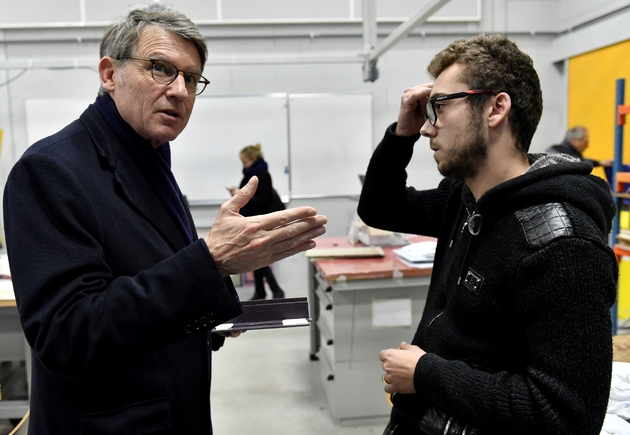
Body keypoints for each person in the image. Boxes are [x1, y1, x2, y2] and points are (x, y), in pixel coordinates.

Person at [2, 8, 326, 434]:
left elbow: (150, 278)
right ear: (109, 73)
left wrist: (210, 315)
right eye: (160, 69)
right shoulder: (50, 170)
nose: (179, 91)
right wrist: (209, 263)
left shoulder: (151, 156)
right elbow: (68, 334)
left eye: (191, 79)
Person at [358, 34, 617, 435]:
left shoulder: (562, 246)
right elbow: (379, 207)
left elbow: (565, 417)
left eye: (440, 107)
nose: (429, 127)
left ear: (496, 107)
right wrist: (401, 134)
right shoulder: (465, 200)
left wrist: (427, 373)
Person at [228, 143, 286, 299]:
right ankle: (261, 291)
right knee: (255, 256)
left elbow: (262, 201)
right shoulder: (250, 174)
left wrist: (240, 195)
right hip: (253, 219)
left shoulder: (262, 174)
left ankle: (275, 289)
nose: (243, 165)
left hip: (262, 220)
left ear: (253, 159)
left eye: (244, 162)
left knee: (257, 257)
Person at [546, 125, 613, 167]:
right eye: (586, 142)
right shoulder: (555, 151)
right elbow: (577, 161)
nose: (587, 146)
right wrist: (599, 163)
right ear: (575, 141)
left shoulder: (555, 149)